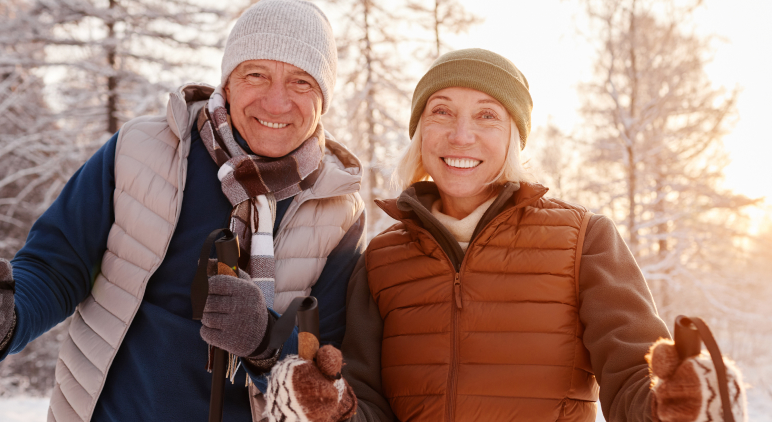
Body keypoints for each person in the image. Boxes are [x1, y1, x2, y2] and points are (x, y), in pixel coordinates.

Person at [0, 0, 366, 422]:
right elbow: (57, 265)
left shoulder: (339, 210)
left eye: (301, 82)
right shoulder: (140, 150)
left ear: (324, 99)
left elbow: (327, 370)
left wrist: (265, 340)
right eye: (256, 74)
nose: (276, 102)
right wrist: (4, 316)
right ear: (227, 83)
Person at [265, 49, 746, 422]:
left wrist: (676, 401)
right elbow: (368, 402)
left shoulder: (583, 239)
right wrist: (330, 407)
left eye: (487, 115)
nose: (461, 135)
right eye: (442, 112)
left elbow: (632, 375)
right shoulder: (382, 259)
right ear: (420, 132)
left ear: (514, 135)